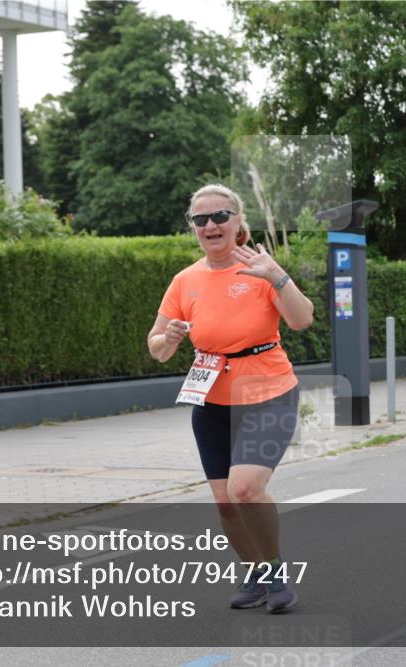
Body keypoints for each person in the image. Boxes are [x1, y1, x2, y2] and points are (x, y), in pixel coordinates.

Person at [146, 184, 314, 614]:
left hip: (267, 391)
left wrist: (278, 275)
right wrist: (169, 336)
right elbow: (156, 346)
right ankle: (256, 574)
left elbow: (301, 320)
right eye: (200, 220)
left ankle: (275, 572)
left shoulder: (259, 267)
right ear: (194, 229)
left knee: (245, 488)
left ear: (238, 221)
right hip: (211, 398)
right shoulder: (185, 280)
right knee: (225, 504)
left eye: (220, 216)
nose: (211, 225)